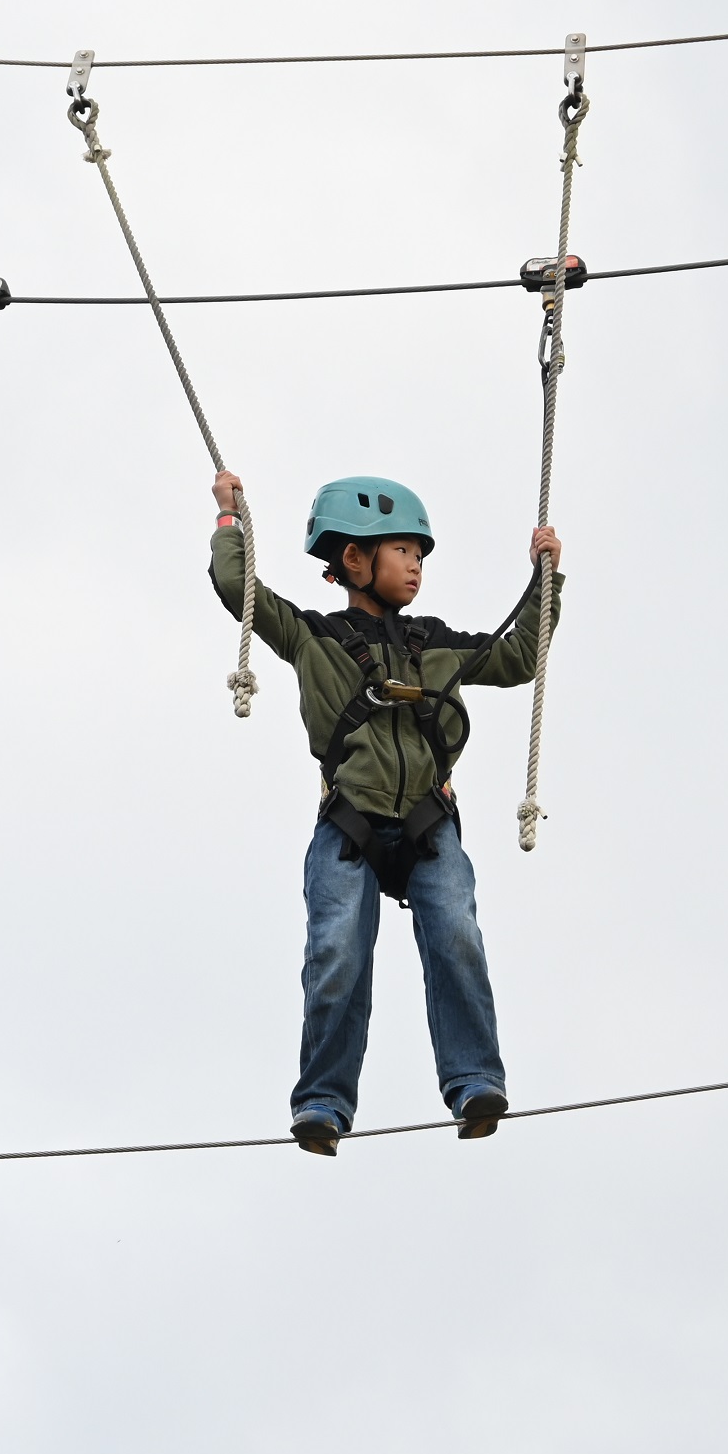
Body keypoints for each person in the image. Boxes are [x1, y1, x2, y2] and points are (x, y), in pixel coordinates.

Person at [208, 470, 565, 1155]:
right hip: (352, 826)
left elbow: (519, 656)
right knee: (336, 950)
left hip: (429, 827)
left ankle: (475, 1081)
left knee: (456, 933)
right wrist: (231, 522)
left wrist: (550, 577)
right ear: (354, 559)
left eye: (421, 556)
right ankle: (323, 1100)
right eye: (403, 551)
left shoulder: (434, 644)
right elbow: (239, 591)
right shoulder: (314, 638)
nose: (416, 567)